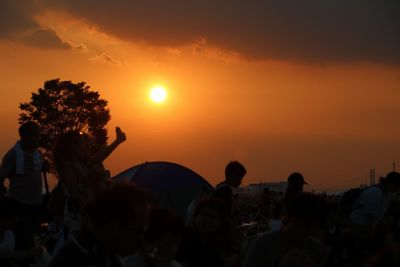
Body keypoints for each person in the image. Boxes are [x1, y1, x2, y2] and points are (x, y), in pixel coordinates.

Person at [50, 182, 150, 267]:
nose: (141, 240)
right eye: (138, 231)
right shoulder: (83, 259)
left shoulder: (101, 252)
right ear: (113, 226)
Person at [244, 193, 328, 267]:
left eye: (309, 227)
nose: (303, 231)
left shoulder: (317, 249)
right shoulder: (263, 245)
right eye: (298, 225)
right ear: (286, 220)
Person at [0, 121, 44, 250]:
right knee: (24, 240)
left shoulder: (37, 154)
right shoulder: (13, 155)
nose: (38, 139)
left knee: (33, 237)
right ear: (25, 137)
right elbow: (1, 177)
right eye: (36, 136)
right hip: (19, 205)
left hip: (36, 204)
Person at [177, 197, 242, 267]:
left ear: (220, 222)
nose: (206, 220)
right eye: (203, 214)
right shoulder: (184, 239)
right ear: (195, 216)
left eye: (212, 217)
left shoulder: (213, 243)